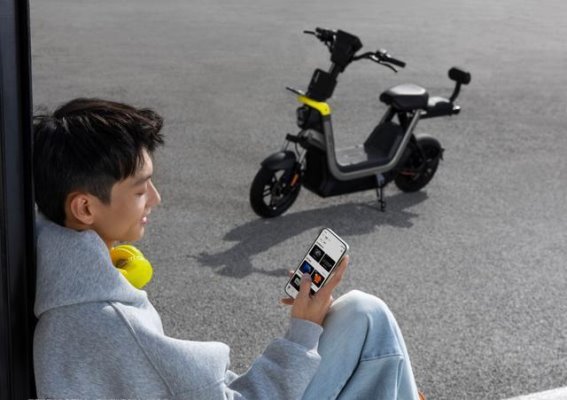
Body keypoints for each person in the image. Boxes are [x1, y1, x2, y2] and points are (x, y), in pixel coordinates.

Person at [32, 98, 422, 399]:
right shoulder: (111, 324)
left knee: (362, 319)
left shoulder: (61, 275)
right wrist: (303, 330)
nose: (155, 198)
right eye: (139, 190)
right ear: (85, 208)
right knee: (366, 315)